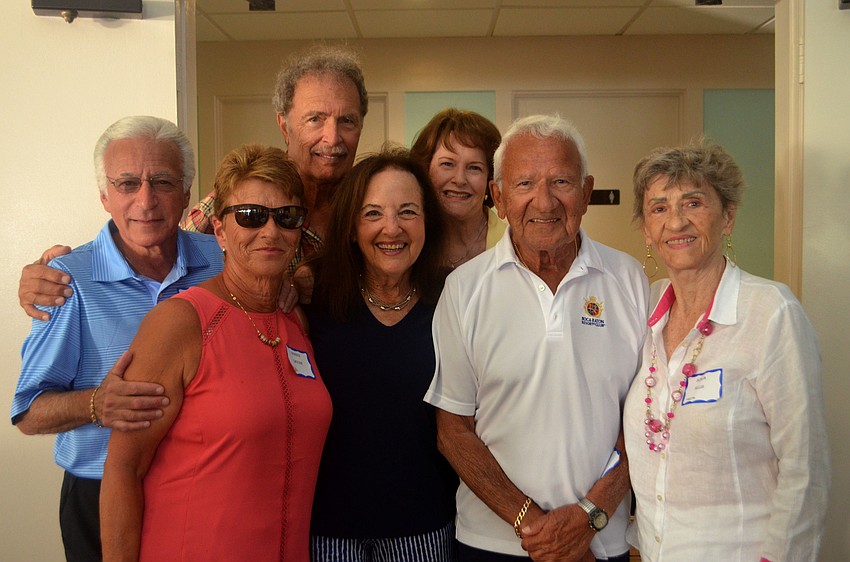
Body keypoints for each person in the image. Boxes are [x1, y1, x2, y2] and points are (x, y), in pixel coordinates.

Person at [425, 114, 649, 562]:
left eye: (561, 181)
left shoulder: (629, 279)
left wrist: (589, 517)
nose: (544, 201)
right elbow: (453, 431)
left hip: (601, 543)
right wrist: (539, 528)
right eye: (524, 183)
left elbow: (644, 418)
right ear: (499, 197)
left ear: (585, 193)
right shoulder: (465, 289)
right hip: (492, 544)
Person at [100, 144, 332, 562]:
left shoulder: (295, 323)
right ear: (221, 231)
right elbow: (123, 469)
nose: (270, 231)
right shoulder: (180, 322)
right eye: (250, 216)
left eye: (287, 217)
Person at [18, 44, 368, 321]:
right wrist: (62, 275)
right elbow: (151, 245)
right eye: (315, 119)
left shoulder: (372, 206)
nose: (331, 137)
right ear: (284, 124)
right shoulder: (234, 206)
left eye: (347, 120)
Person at [10, 116, 223, 561]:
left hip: (199, 492)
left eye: (162, 182)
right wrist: (95, 404)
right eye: (127, 184)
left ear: (186, 193)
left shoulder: (221, 262)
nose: (145, 201)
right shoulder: (68, 281)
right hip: (98, 494)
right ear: (105, 195)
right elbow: (28, 412)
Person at [623, 140, 830, 561]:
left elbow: (806, 470)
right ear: (646, 229)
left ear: (728, 217)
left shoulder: (771, 313)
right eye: (659, 207)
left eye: (693, 203)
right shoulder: (644, 309)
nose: (676, 222)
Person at [306, 146, 458, 561]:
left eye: (408, 211)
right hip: (326, 531)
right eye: (373, 213)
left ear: (428, 221)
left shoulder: (455, 299)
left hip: (424, 529)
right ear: (351, 226)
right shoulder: (311, 295)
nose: (391, 228)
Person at [410, 108, 505, 269]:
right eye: (447, 164)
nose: (460, 179)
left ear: (490, 179)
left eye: (474, 168)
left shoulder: (512, 244)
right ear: (425, 170)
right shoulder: (410, 240)